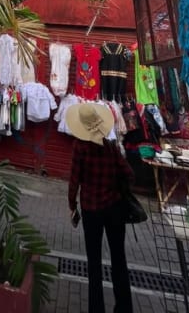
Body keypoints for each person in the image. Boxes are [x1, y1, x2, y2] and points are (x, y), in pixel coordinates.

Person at [66, 102, 134, 313]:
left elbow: (74, 181)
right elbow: (129, 174)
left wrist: (72, 205)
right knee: (119, 259)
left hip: (91, 210)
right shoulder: (111, 146)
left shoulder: (80, 147)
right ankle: (124, 308)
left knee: (94, 263)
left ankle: (96, 309)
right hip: (114, 208)